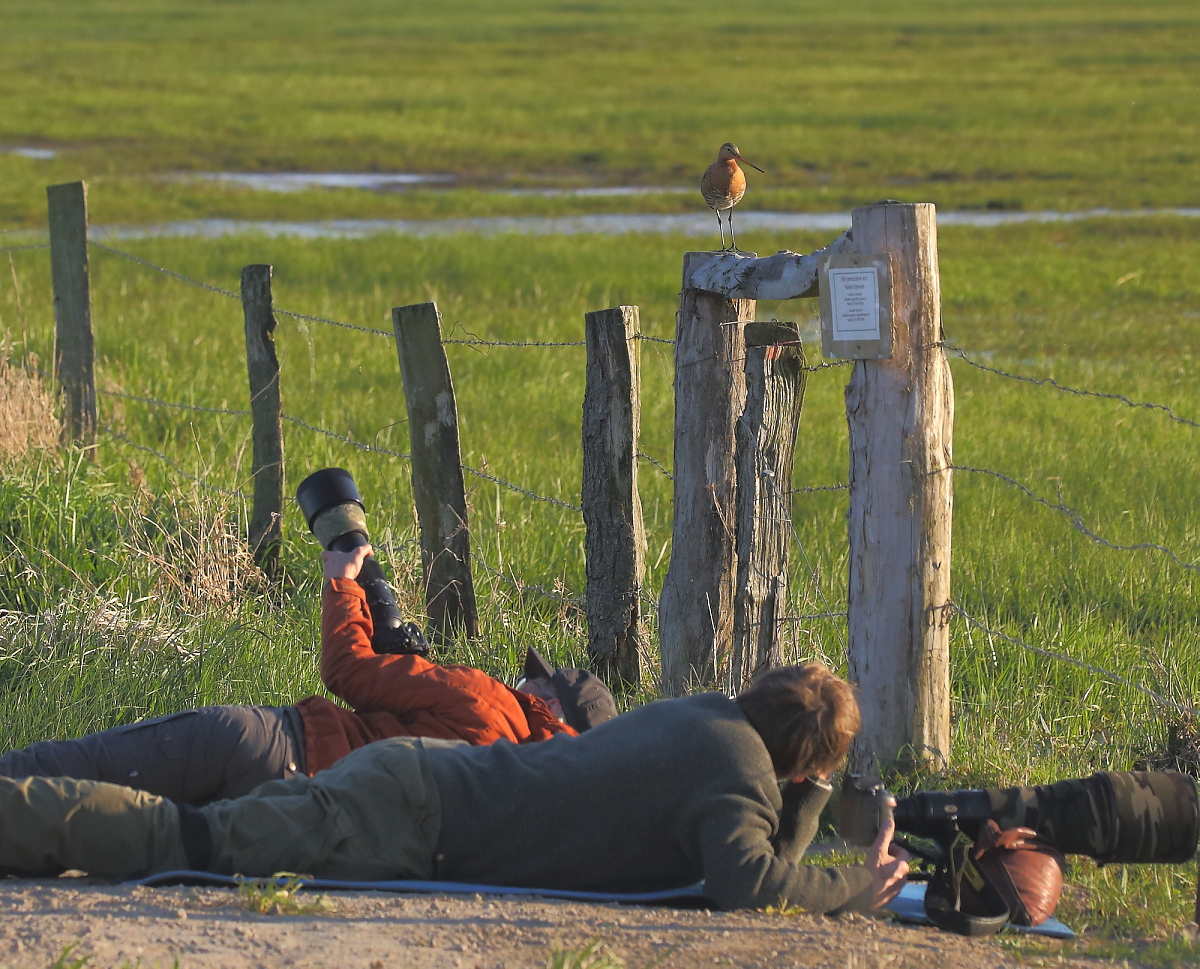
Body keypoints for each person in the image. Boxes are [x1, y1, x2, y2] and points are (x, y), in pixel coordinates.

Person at [0, 663, 910, 914]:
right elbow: (748, 883)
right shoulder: (737, 775)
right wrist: (854, 888)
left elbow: (753, 850)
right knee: (182, 846)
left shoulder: (699, 717)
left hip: (416, 787)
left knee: (197, 831)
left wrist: (807, 800)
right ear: (801, 758)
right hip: (404, 819)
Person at [0, 545, 616, 804]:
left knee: (67, 769)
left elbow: (347, 670)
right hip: (302, 811)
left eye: (542, 683)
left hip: (271, 745)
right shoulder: (516, 791)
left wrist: (345, 582)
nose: (526, 681)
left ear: (555, 708)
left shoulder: (487, 700)